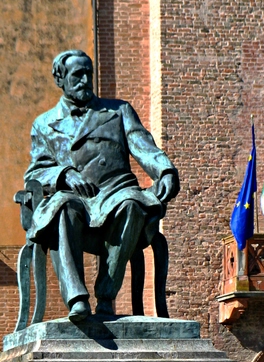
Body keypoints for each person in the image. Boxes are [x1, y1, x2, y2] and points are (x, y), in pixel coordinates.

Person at [24, 50, 179, 321]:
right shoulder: (44, 124)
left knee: (133, 204)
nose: (85, 80)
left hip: (116, 190)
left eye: (88, 74)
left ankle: (106, 296)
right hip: (75, 196)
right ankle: (77, 299)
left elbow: (144, 147)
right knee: (63, 209)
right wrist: (64, 174)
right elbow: (35, 173)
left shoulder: (118, 111)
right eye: (77, 75)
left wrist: (165, 171)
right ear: (60, 79)